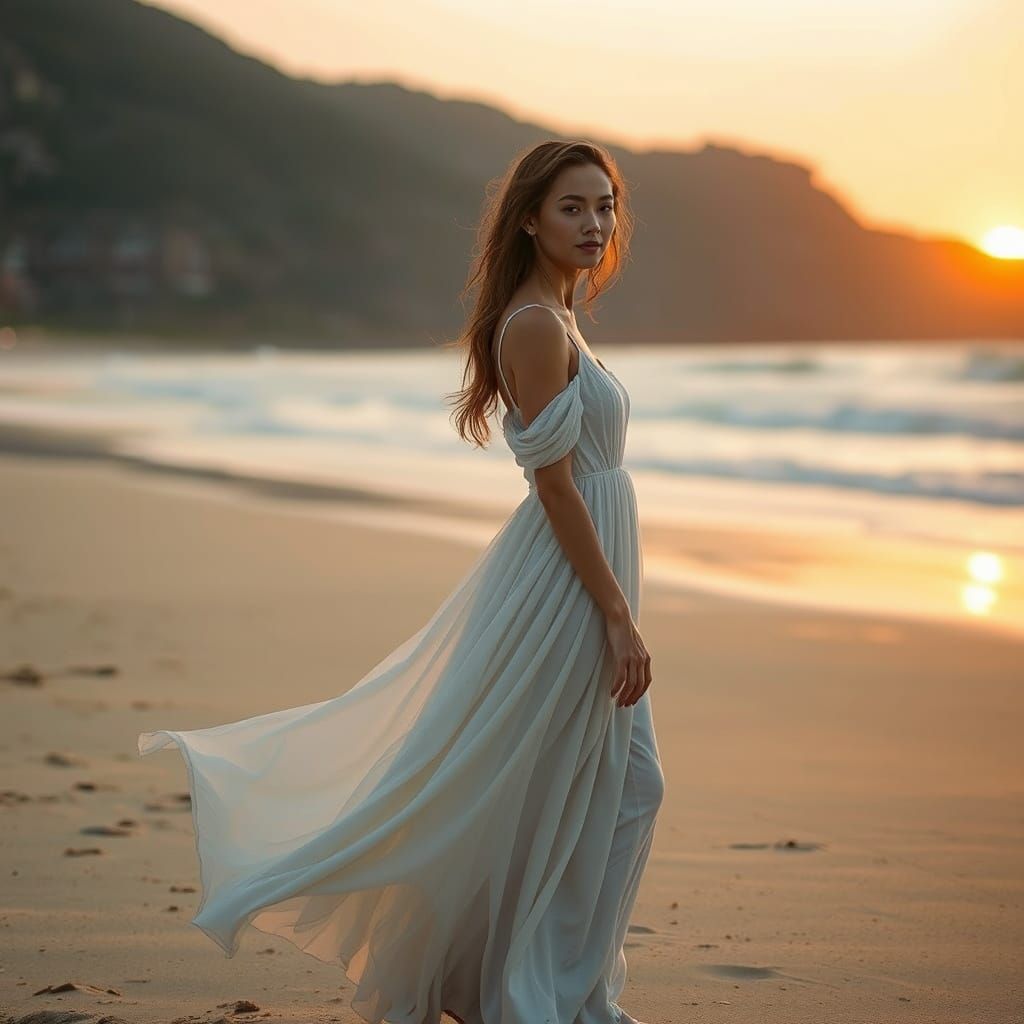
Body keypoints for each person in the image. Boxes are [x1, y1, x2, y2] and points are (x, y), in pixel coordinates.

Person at [138, 139, 665, 1024]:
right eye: (572, 207)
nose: (594, 223)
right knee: (610, 787)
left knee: (586, 785)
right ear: (529, 219)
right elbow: (555, 486)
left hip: (581, 573)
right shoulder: (537, 326)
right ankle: (533, 992)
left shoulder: (559, 316)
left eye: (605, 206)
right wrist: (615, 614)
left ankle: (531, 986)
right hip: (567, 589)